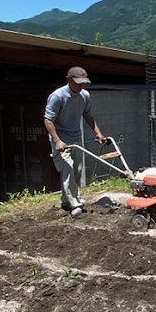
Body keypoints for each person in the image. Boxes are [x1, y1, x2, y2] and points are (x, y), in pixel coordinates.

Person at [44, 66, 105, 217]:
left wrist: (98, 133)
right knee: (68, 169)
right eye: (78, 82)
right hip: (61, 140)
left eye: (83, 83)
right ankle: (74, 203)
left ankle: (67, 200)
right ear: (69, 79)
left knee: (77, 170)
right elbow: (48, 120)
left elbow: (88, 115)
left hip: (76, 137)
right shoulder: (57, 96)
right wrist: (57, 141)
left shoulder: (85, 95)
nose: (81, 85)